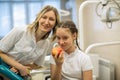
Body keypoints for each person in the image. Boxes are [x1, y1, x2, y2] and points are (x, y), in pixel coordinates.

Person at [0, 5, 60, 79]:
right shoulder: (20, 31)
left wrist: (23, 68)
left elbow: (37, 64)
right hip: (2, 68)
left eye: (51, 19)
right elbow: (1, 52)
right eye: (44, 17)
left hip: (16, 73)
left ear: (55, 24)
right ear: (38, 18)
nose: (47, 22)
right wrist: (19, 67)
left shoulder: (46, 43)